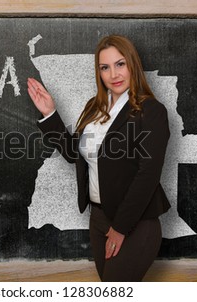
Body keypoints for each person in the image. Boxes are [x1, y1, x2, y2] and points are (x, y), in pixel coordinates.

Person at [27, 35, 171, 281]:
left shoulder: (151, 111)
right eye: (105, 67)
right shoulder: (94, 107)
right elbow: (75, 154)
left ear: (132, 65)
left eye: (120, 64)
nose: (113, 74)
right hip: (99, 219)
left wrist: (120, 228)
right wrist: (50, 113)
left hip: (134, 224)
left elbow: (147, 176)